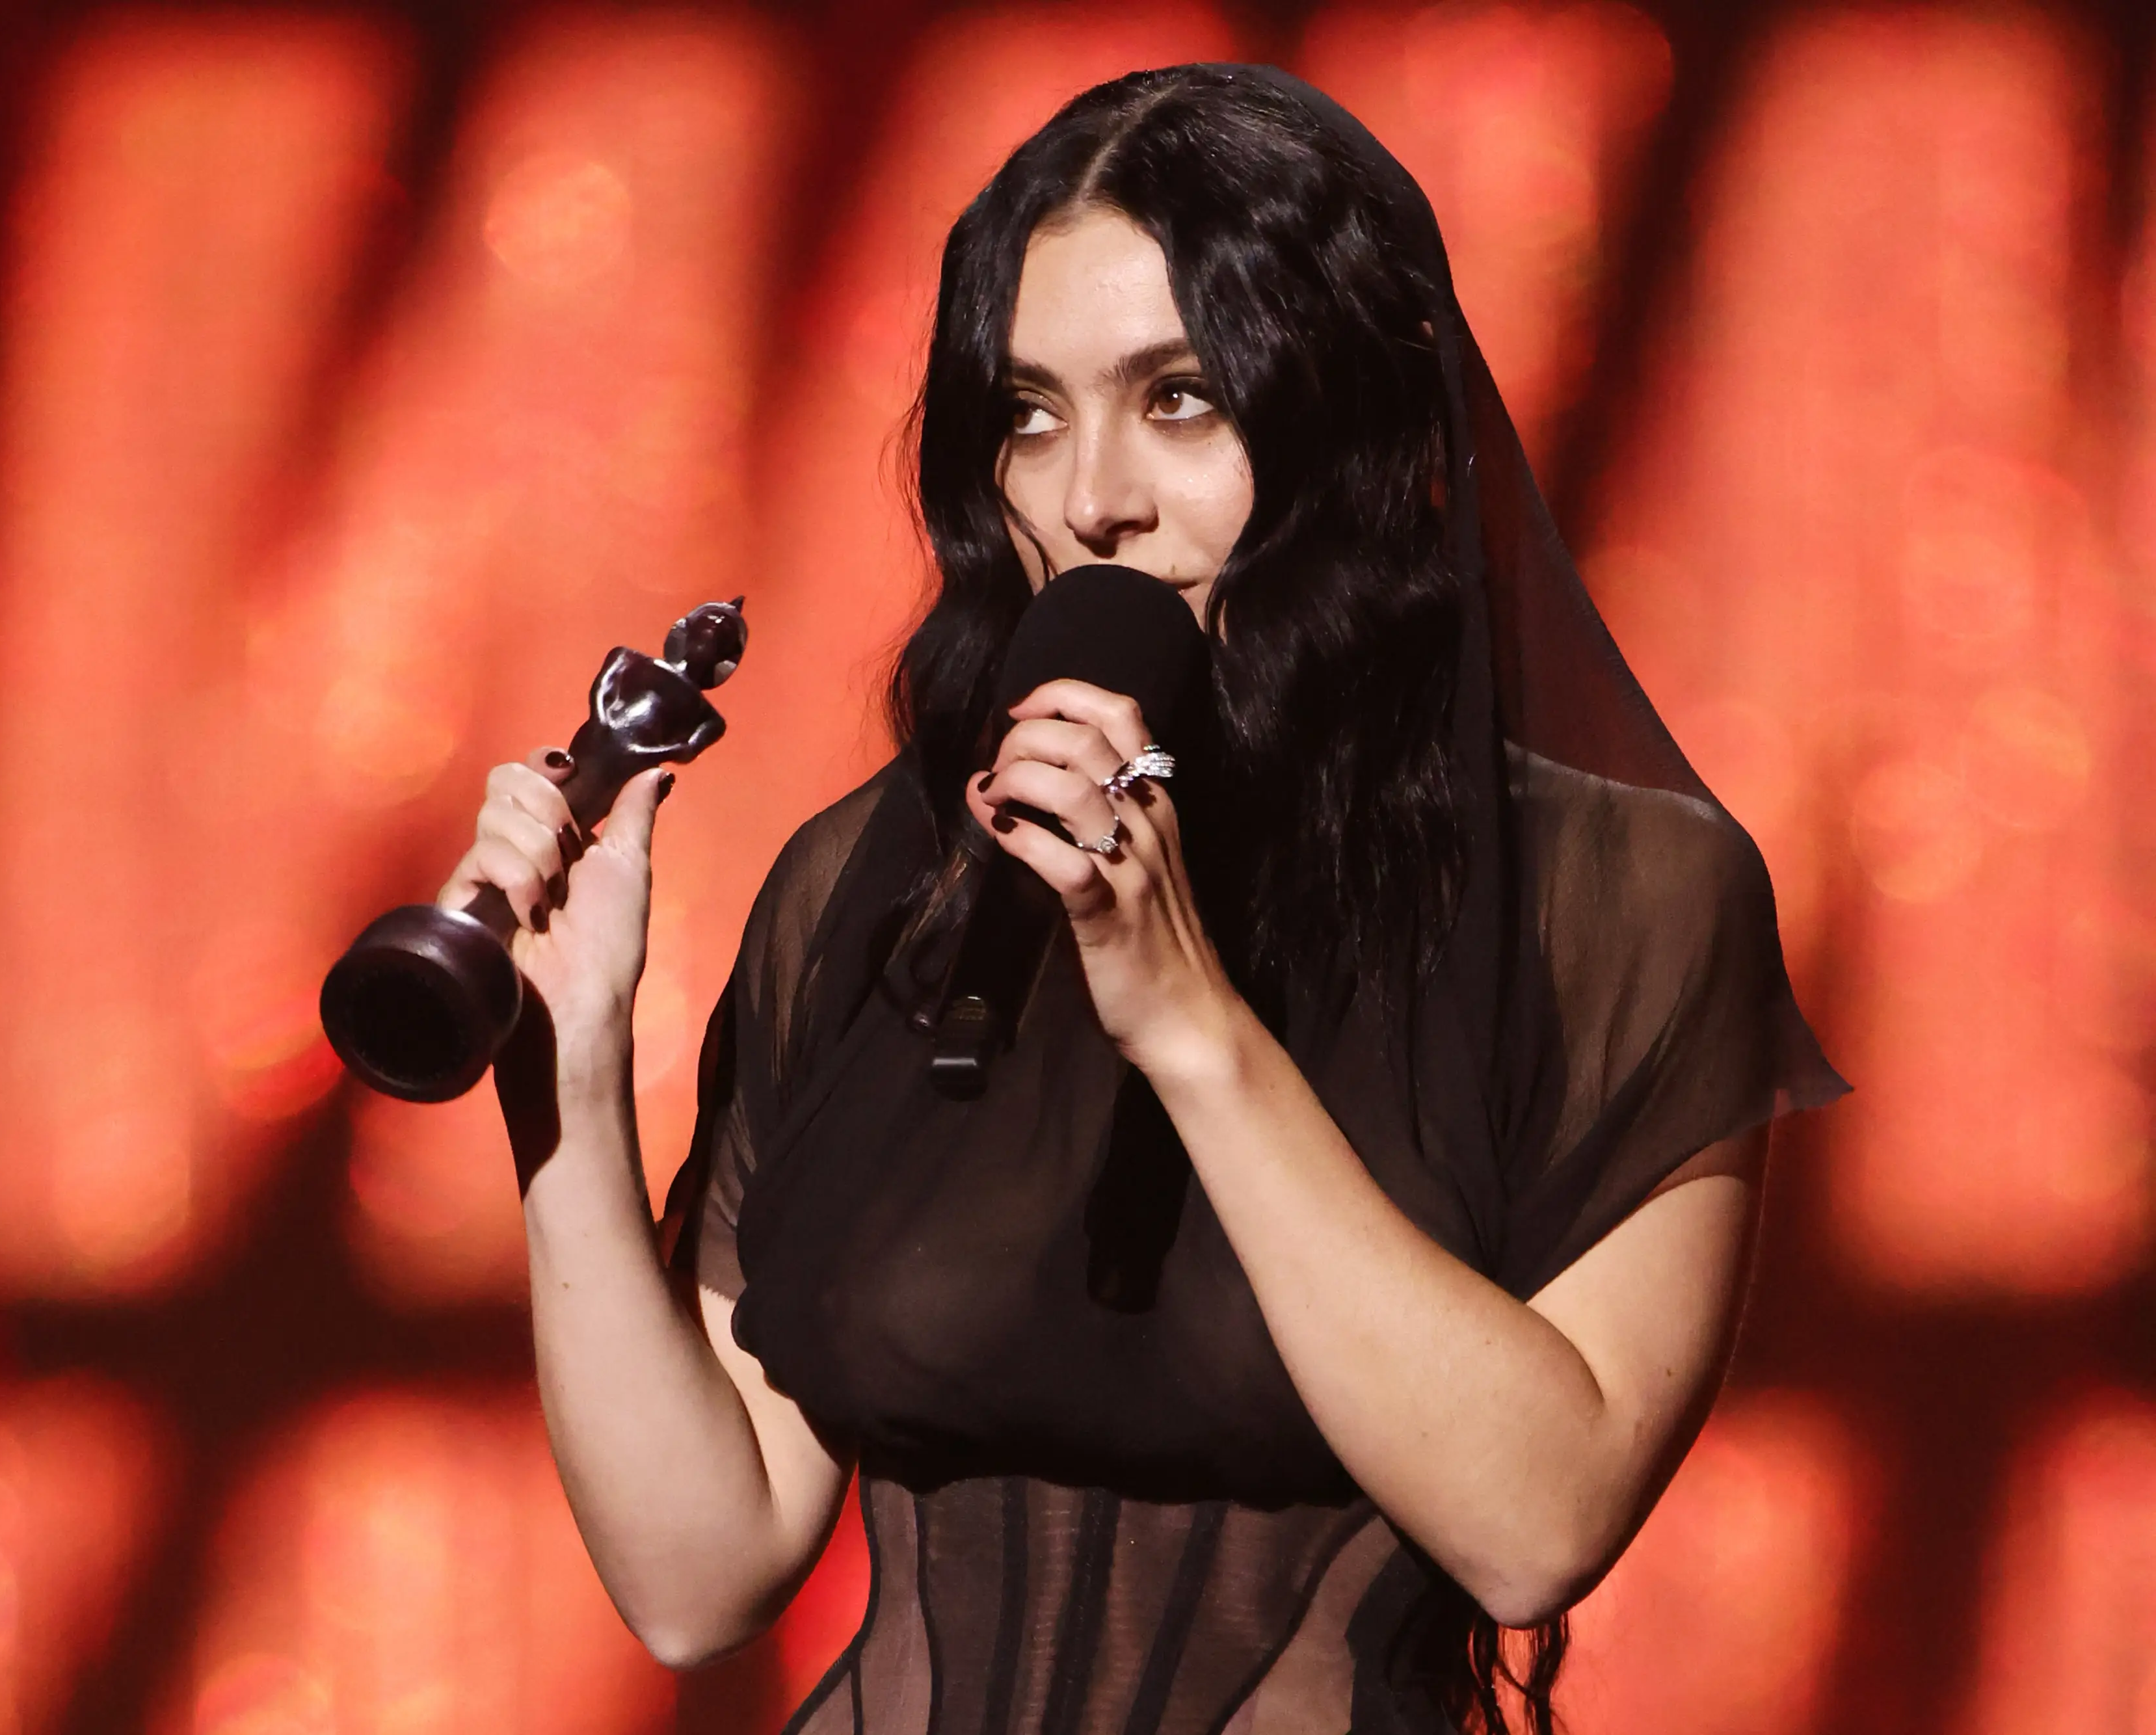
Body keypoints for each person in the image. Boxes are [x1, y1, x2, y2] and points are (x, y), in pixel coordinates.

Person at [441, 64, 1845, 1735]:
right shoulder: (883, 883)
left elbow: (1537, 1525)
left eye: (1180, 397)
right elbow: (700, 1570)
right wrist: (567, 1078)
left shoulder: (1614, 897)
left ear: (1359, 420)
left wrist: (1188, 1023)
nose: (1090, 496)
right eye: (1031, 414)